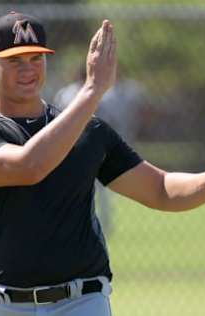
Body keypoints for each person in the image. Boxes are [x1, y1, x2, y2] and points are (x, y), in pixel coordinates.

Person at [0, 12, 205, 316]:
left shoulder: (89, 131)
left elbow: (160, 190)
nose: (28, 69)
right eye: (15, 60)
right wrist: (92, 90)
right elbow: (29, 167)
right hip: (3, 306)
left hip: (82, 302)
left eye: (36, 58)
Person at [54, 66, 145, 236]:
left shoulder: (67, 92)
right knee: (101, 190)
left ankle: (79, 225)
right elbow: (104, 118)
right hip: (91, 144)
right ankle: (103, 226)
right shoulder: (93, 94)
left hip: (67, 145)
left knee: (74, 190)